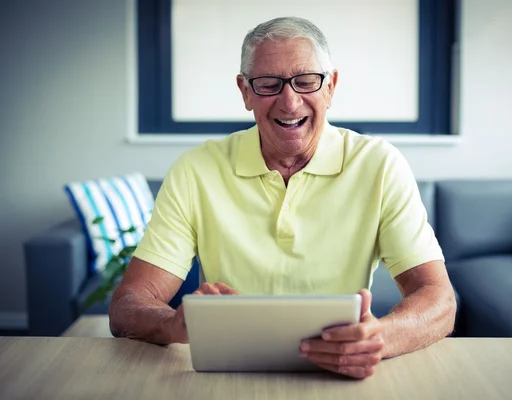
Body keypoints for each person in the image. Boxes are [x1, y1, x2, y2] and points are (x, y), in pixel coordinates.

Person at [109, 16, 456, 379]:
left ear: (331, 86)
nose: (289, 102)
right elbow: (129, 304)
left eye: (306, 81)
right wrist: (174, 324)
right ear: (245, 91)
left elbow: (439, 299)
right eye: (268, 84)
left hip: (337, 378)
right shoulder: (195, 170)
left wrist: (381, 338)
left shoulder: (380, 165)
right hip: (229, 376)